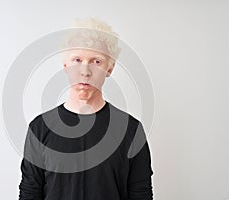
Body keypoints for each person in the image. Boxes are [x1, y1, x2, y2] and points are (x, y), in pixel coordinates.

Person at [19, 17, 154, 200]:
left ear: (110, 68)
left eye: (96, 61)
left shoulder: (131, 130)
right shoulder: (40, 128)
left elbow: (141, 194)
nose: (85, 71)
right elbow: (30, 193)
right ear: (65, 65)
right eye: (77, 59)